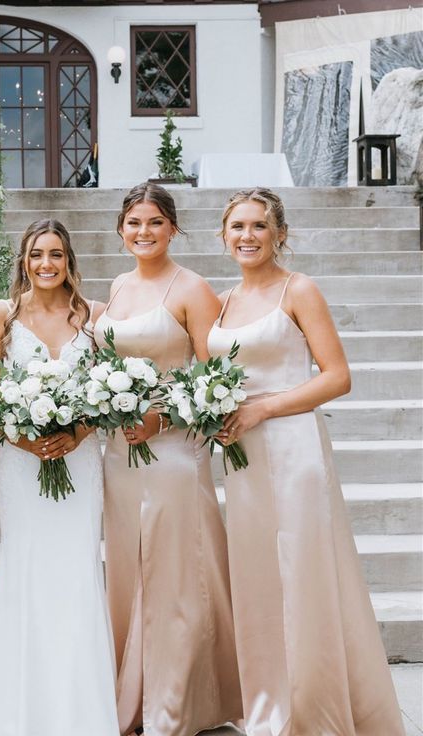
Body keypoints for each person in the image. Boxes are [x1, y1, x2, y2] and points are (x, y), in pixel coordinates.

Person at [208, 187, 404, 735]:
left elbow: (337, 376)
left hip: (293, 448)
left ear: (280, 235)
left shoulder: (300, 290)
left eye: (259, 227)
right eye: (238, 227)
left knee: (304, 575)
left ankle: (314, 709)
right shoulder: (222, 302)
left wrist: (264, 408)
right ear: (223, 237)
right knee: (257, 578)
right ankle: (271, 701)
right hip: (243, 456)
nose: (247, 236)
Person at [94, 183, 242, 736]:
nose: (144, 232)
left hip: (174, 450)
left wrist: (160, 417)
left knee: (178, 572)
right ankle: (133, 692)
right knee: (131, 570)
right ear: (121, 230)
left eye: (155, 222)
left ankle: (174, 704)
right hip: (119, 452)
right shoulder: (117, 286)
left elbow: (214, 379)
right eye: (134, 223)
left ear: (173, 228)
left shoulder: (193, 289)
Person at [0, 219, 119, 735]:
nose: (46, 264)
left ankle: (79, 711)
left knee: (76, 569)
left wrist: (77, 433)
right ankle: (16, 709)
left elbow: (105, 394)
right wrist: (25, 439)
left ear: (69, 260)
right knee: (24, 568)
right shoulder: (0, 316)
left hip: (78, 459)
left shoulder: (94, 317)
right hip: (19, 461)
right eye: (36, 255)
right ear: (23, 262)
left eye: (55, 254)